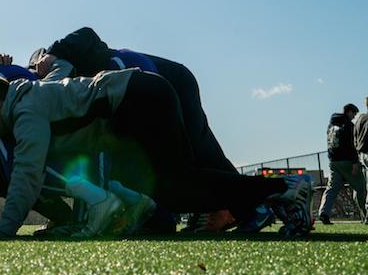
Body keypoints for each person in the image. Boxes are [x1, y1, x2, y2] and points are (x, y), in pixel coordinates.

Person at [0, 73, 314, 239]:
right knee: (174, 187)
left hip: (139, 98)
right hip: (142, 96)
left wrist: (5, 229)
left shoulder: (25, 109)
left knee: (176, 188)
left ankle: (284, 187)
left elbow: (28, 172)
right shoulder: (32, 102)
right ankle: (279, 192)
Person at [32, 26, 249, 232]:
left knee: (199, 151)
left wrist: (54, 52)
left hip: (171, 81)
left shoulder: (75, 61)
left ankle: (250, 206)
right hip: (159, 90)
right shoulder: (74, 87)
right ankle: (219, 207)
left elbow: (87, 33)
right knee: (176, 162)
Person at [317, 103, 366, 224]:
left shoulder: (331, 125)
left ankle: (323, 212)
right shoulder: (349, 126)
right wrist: (355, 162)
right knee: (361, 187)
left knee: (331, 189)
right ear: (349, 112)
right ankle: (365, 215)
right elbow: (352, 145)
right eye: (353, 114)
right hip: (347, 161)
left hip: (333, 161)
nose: (354, 117)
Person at [353, 96, 368, 223]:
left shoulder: (360, 119)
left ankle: (364, 214)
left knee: (363, 186)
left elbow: (355, 138)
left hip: (361, 154)